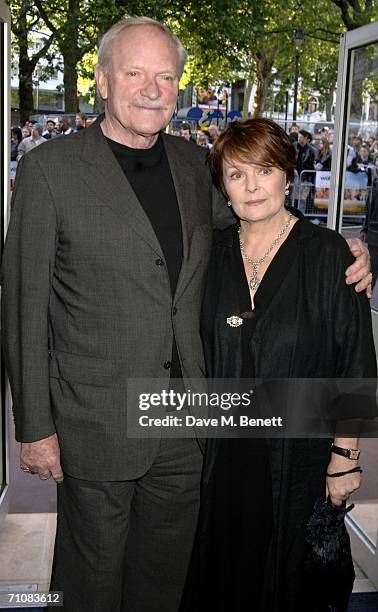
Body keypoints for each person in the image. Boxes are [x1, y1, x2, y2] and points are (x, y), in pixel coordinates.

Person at [1, 18, 371, 612]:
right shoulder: (51, 170)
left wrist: (342, 248)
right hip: (95, 422)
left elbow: (255, 217)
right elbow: (23, 303)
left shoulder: (193, 165)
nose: (152, 88)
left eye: (166, 77)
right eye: (134, 73)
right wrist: (35, 427)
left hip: (187, 420)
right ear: (101, 81)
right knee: (90, 583)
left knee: (166, 582)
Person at [181, 118, 376, 612]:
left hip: (302, 462)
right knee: (226, 579)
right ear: (222, 187)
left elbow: (355, 365)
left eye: (264, 171)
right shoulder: (211, 254)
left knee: (291, 587)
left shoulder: (331, 256)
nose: (251, 187)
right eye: (236, 174)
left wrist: (345, 460)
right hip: (224, 460)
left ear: (288, 177)